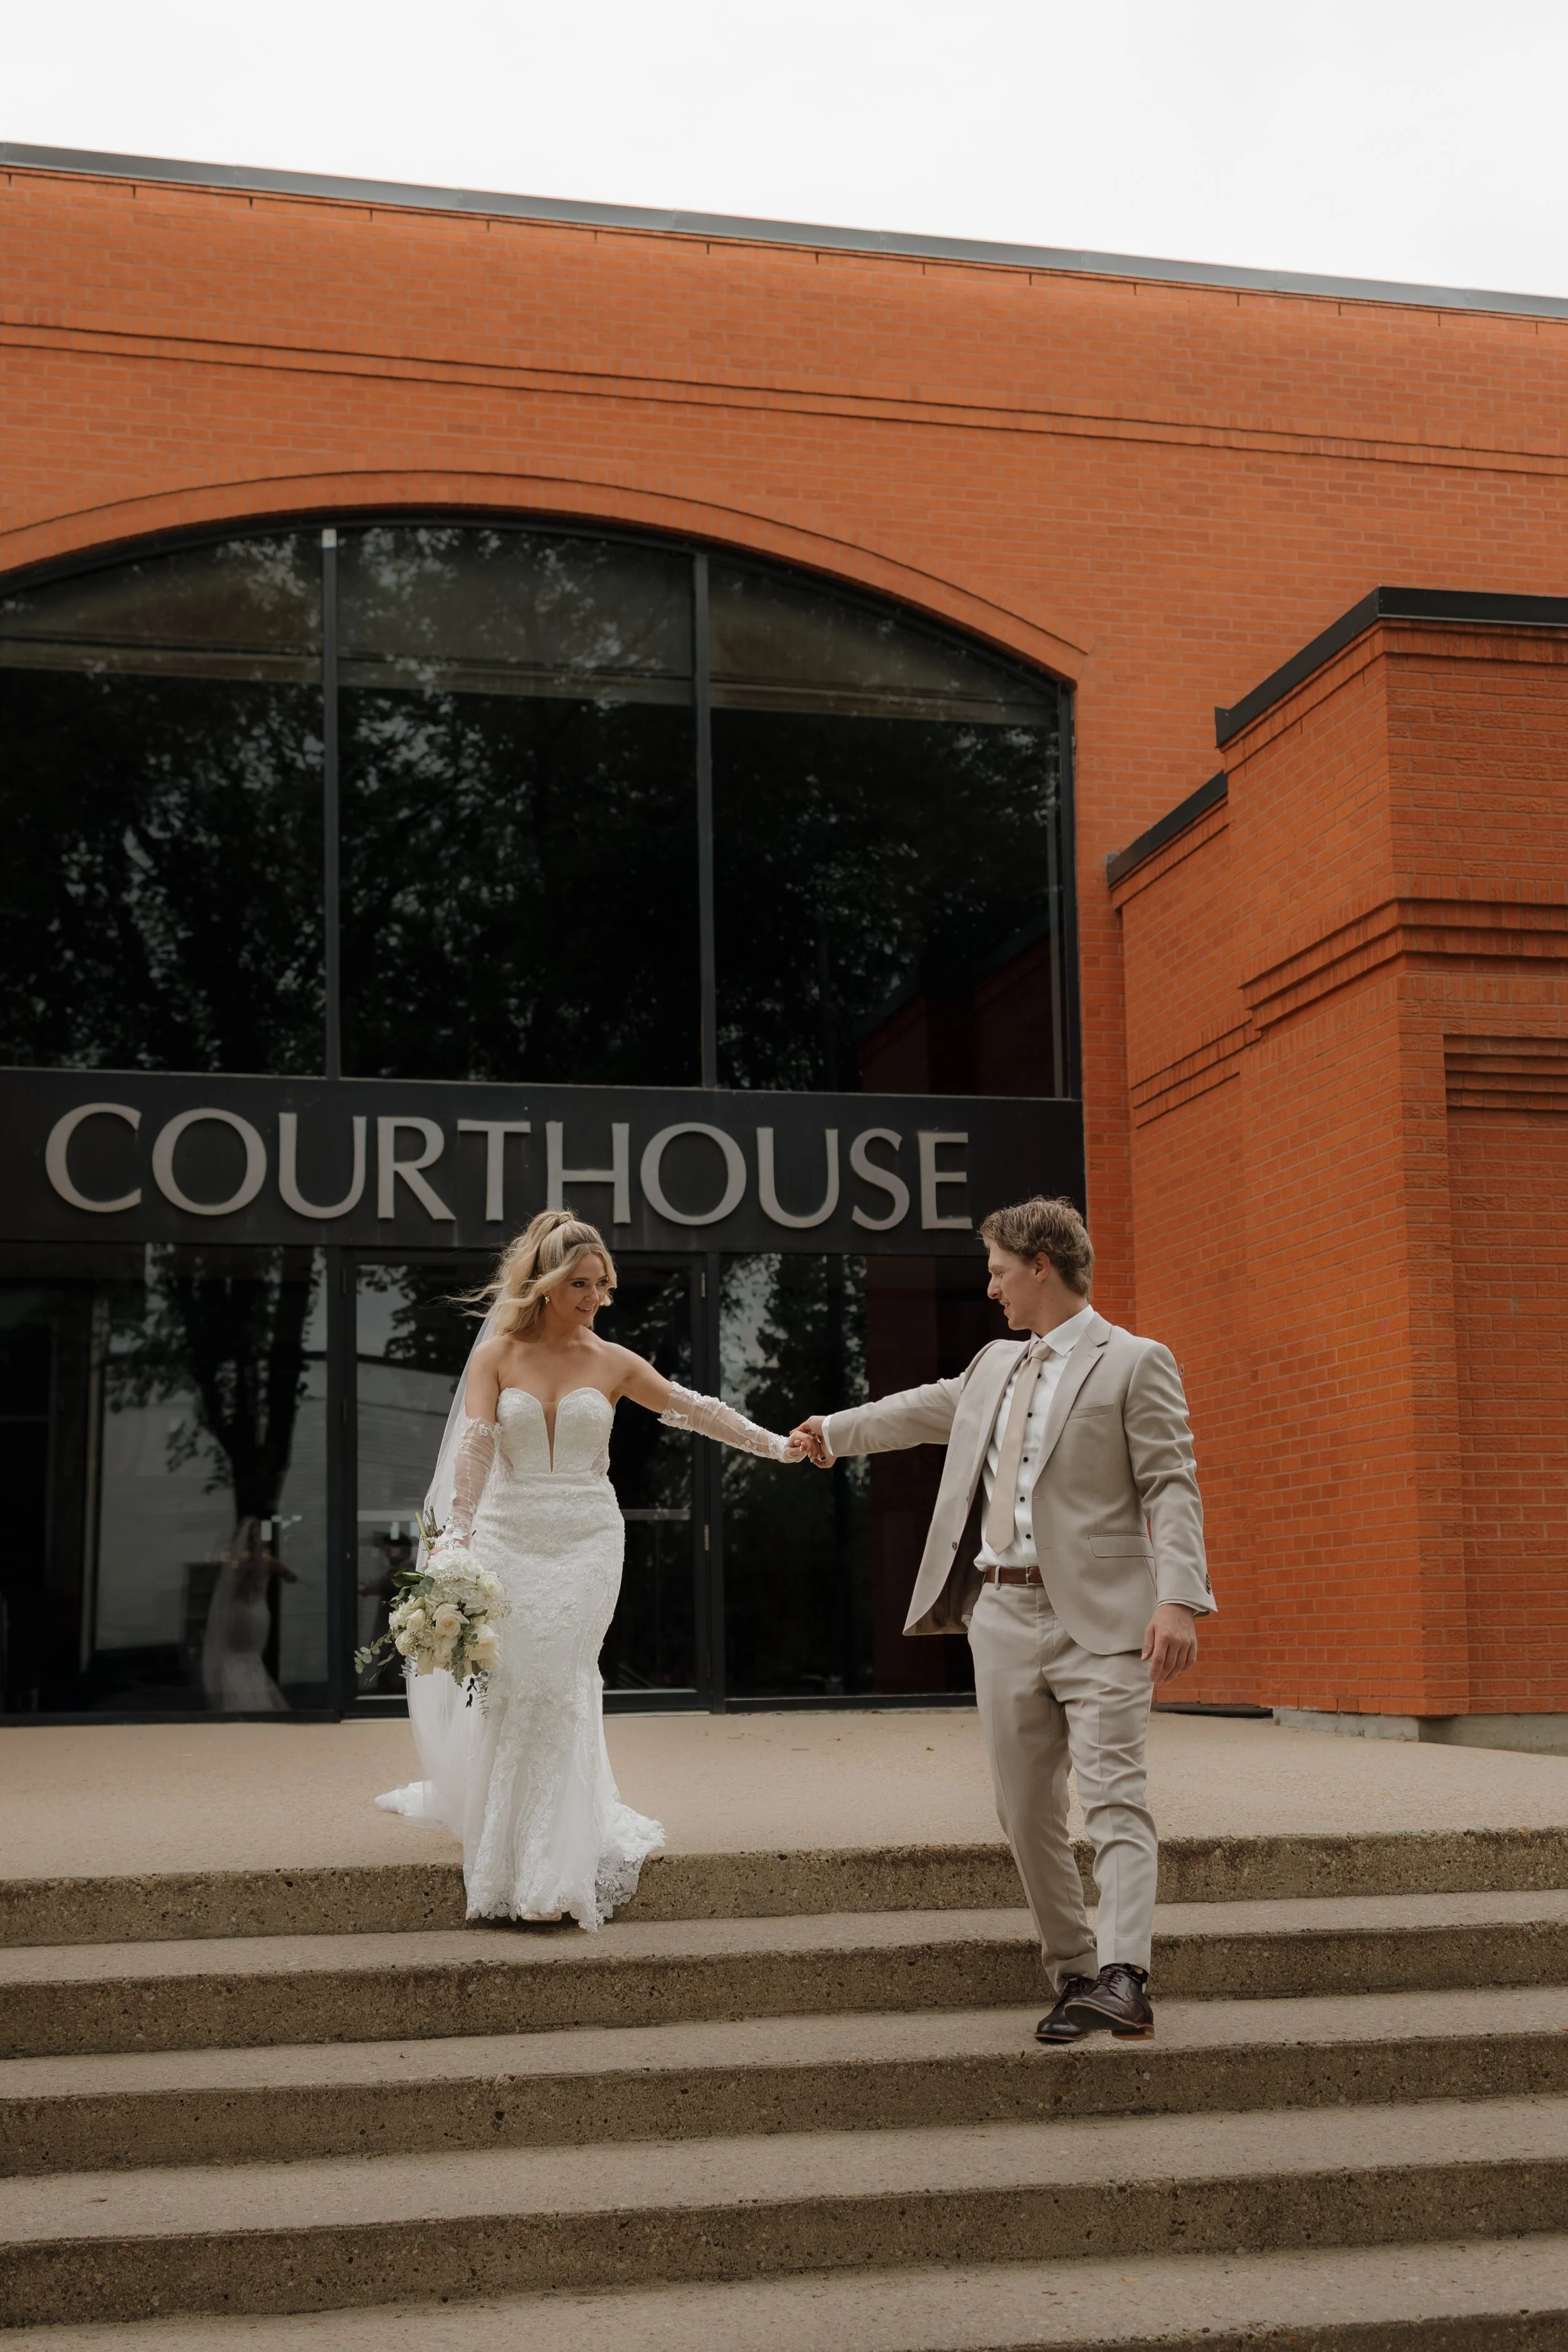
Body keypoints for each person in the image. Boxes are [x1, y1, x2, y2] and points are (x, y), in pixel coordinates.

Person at [793, 1195, 1212, 2045]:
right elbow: (915, 1410)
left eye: (996, 1270)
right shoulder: (992, 1366)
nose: (991, 1289)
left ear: (1041, 1265)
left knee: (1115, 1799)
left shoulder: (1135, 1361)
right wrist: (832, 1431)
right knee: (1023, 1809)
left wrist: (1178, 1597)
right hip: (1005, 1615)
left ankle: (1127, 1974)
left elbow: (1171, 1483)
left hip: (1107, 1620)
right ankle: (1076, 1973)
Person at [378, 1209, 806, 1928]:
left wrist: (777, 1446)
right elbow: (476, 1449)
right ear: (545, 1284)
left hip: (586, 1540)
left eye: (602, 1285)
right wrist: (456, 1535)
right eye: (581, 1283)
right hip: (509, 1539)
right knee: (515, 1688)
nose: (595, 1297)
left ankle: (554, 1871)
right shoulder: (498, 1357)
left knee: (560, 1683)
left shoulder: (613, 1361)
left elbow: (696, 1411)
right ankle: (507, 1854)